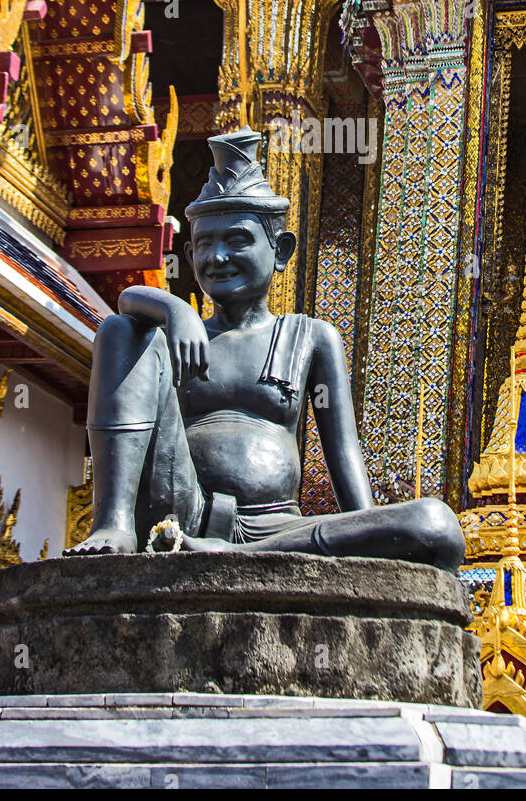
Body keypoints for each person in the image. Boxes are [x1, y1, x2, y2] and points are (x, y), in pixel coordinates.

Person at [66, 129, 465, 572]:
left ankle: (237, 556)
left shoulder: (310, 337)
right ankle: (113, 525)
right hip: (180, 514)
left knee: (435, 523)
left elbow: (345, 461)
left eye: (237, 240)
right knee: (122, 330)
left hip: (277, 529)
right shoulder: (177, 336)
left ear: (281, 251)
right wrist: (172, 307)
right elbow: (126, 304)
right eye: (203, 244)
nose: (217, 257)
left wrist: (369, 532)